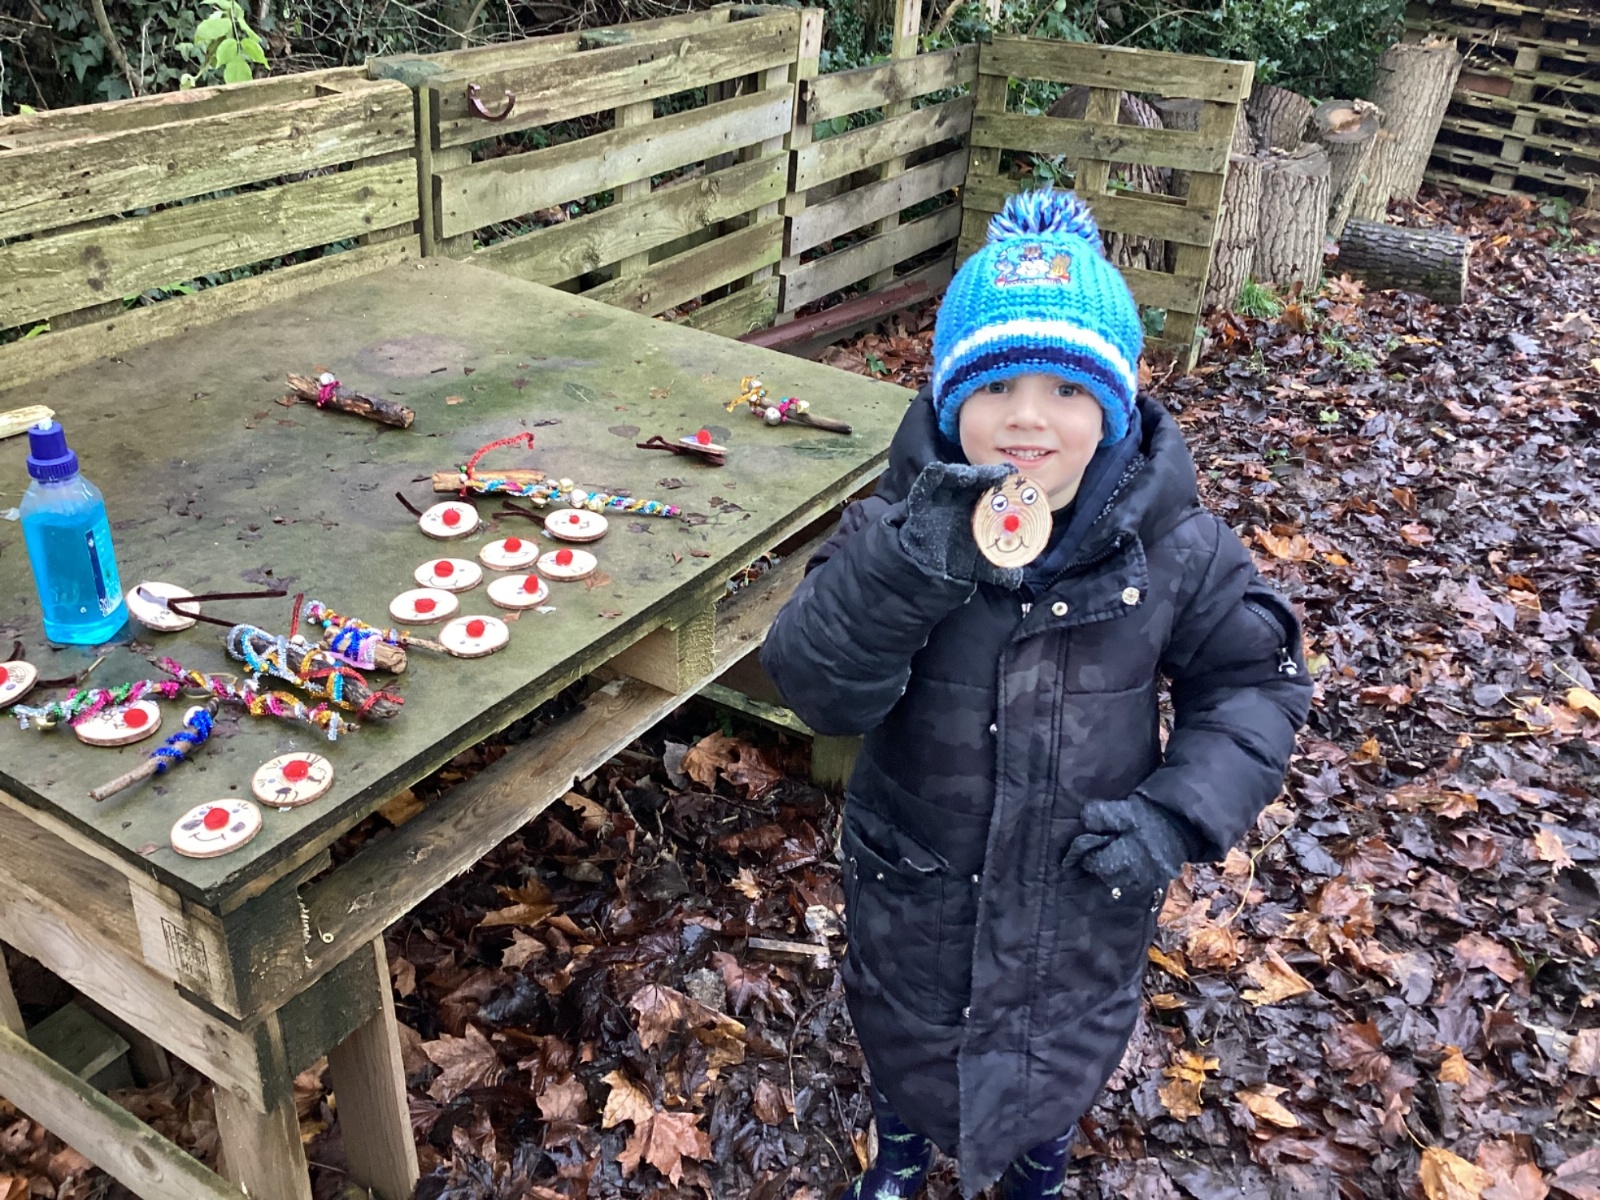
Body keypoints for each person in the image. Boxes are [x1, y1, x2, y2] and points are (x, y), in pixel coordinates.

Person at [759, 189, 1313, 1200]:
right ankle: (899, 1153)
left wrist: (1174, 814)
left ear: (1112, 405)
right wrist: (904, 569)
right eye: (994, 385)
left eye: (1065, 387)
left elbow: (1253, 684)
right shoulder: (895, 524)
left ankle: (1038, 1169)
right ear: (947, 403)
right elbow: (817, 688)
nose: (1026, 417)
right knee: (904, 1034)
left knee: (1056, 1058)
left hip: (1081, 891)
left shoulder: (1175, 547)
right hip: (917, 880)